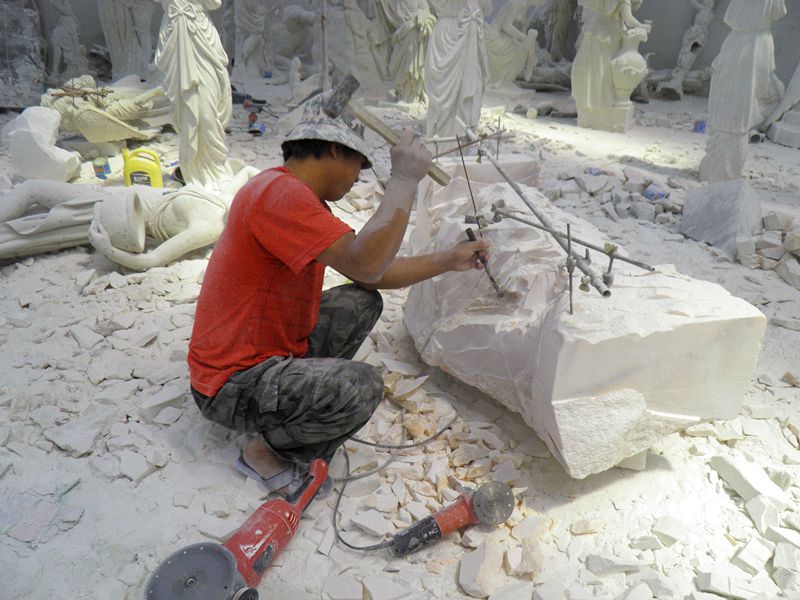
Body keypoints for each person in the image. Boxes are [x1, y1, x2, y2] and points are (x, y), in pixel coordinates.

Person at [187, 96, 489, 494]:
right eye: (357, 167)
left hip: (262, 356)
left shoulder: (286, 193)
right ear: (333, 149)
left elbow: (371, 275)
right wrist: (404, 180)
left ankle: (296, 400)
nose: (355, 180)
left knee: (361, 301)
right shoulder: (281, 195)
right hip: (230, 385)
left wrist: (449, 260)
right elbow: (367, 264)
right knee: (360, 386)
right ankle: (265, 451)